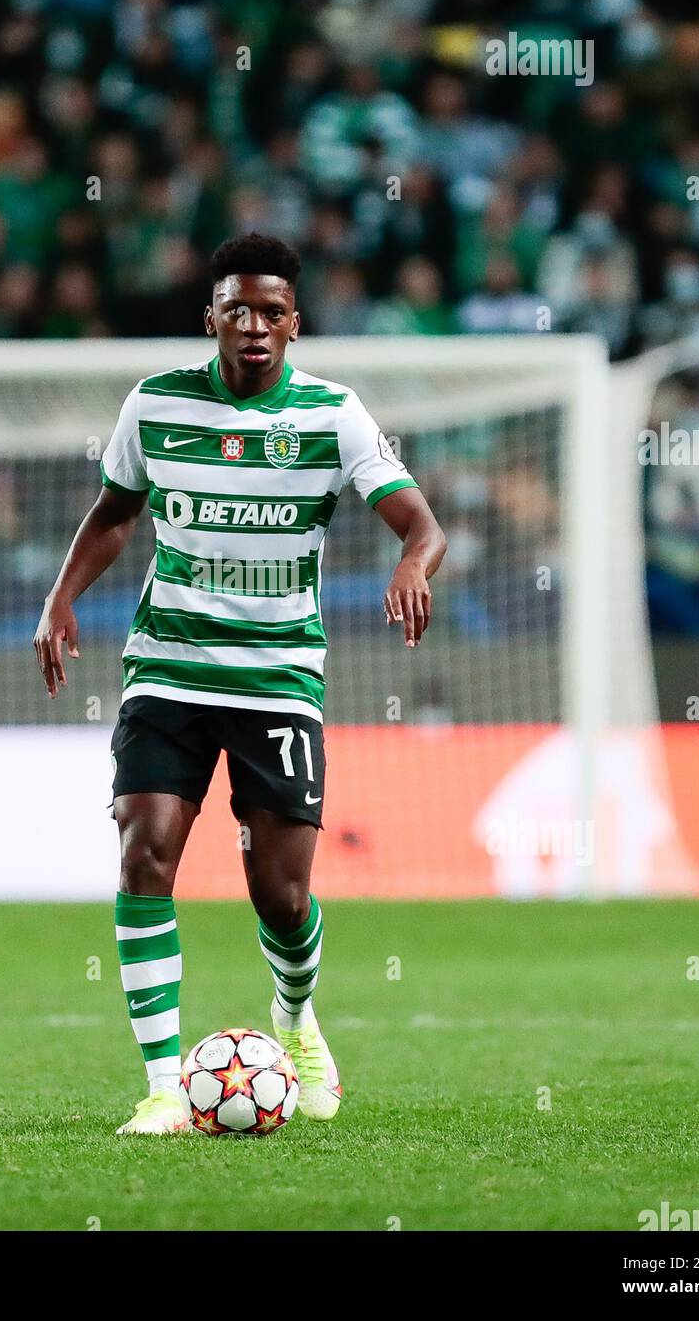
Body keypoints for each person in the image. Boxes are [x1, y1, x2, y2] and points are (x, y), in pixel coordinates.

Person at [34, 232, 447, 1134]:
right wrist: (61, 598)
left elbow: (421, 523)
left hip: (276, 678)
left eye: (270, 312)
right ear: (210, 319)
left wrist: (413, 564)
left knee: (283, 894)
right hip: (168, 669)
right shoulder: (153, 405)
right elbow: (112, 514)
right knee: (144, 849)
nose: (253, 326)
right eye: (236, 311)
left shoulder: (334, 416)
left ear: (294, 323)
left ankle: (295, 1022)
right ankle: (158, 1087)